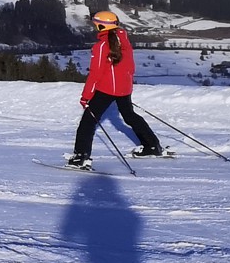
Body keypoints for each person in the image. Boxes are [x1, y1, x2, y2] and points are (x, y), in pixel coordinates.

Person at [67, 11, 168, 169]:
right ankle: (152, 146)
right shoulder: (123, 39)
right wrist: (124, 84)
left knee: (87, 122)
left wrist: (86, 96)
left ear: (101, 26)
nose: (95, 27)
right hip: (124, 88)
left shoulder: (101, 46)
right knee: (130, 116)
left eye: (96, 25)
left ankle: (80, 157)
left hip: (106, 89)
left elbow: (95, 74)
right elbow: (131, 67)